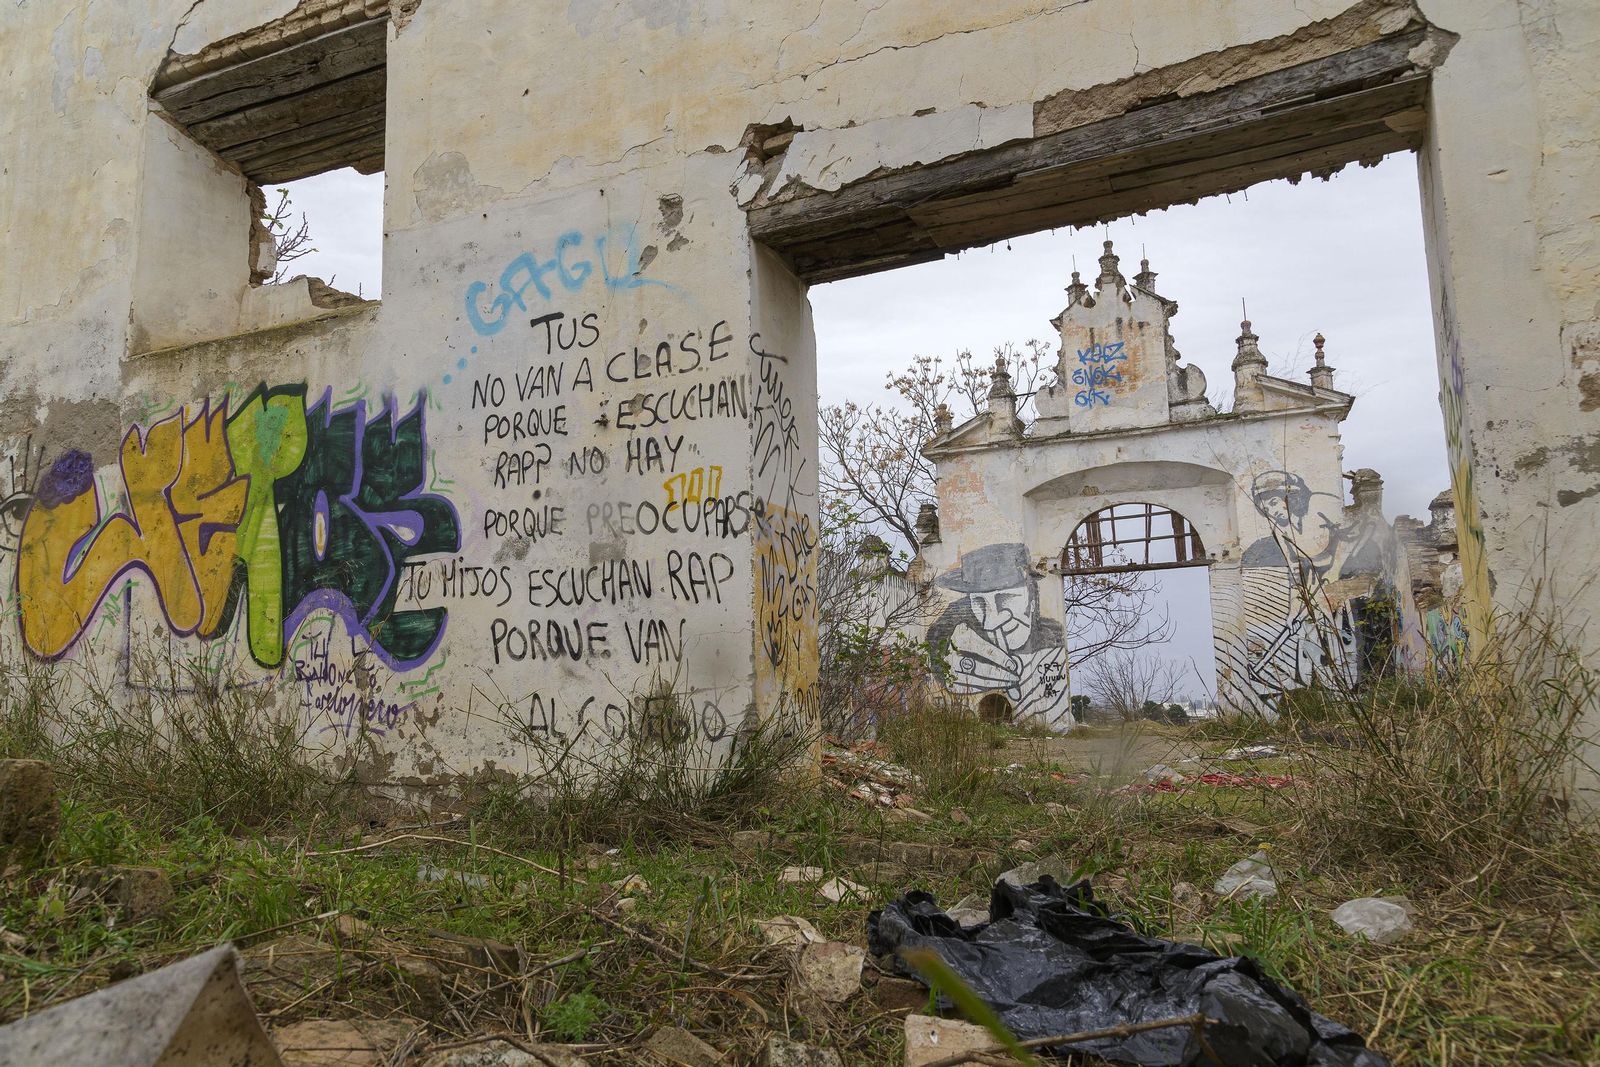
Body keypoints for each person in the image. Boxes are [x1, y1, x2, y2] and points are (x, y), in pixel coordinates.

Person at [927, 543, 1071, 726]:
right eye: (979, 604)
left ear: (1032, 602)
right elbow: (936, 638)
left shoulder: (1052, 645)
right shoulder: (956, 632)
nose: (991, 622)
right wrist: (941, 666)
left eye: (1005, 600)